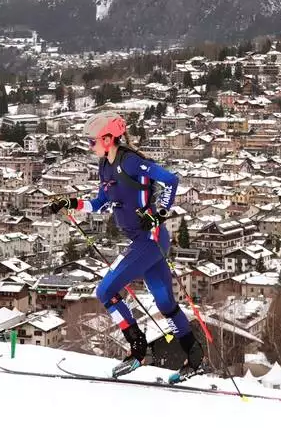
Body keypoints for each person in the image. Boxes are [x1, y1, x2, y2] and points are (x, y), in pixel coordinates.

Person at [48, 112, 200, 377]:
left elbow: (171, 180)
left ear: (108, 138)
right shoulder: (104, 166)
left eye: (92, 141)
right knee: (164, 303)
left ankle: (138, 351)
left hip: (149, 241)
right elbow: (99, 203)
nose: (90, 146)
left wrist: (161, 212)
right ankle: (194, 356)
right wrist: (71, 203)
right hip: (146, 242)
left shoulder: (129, 161)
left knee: (105, 291)